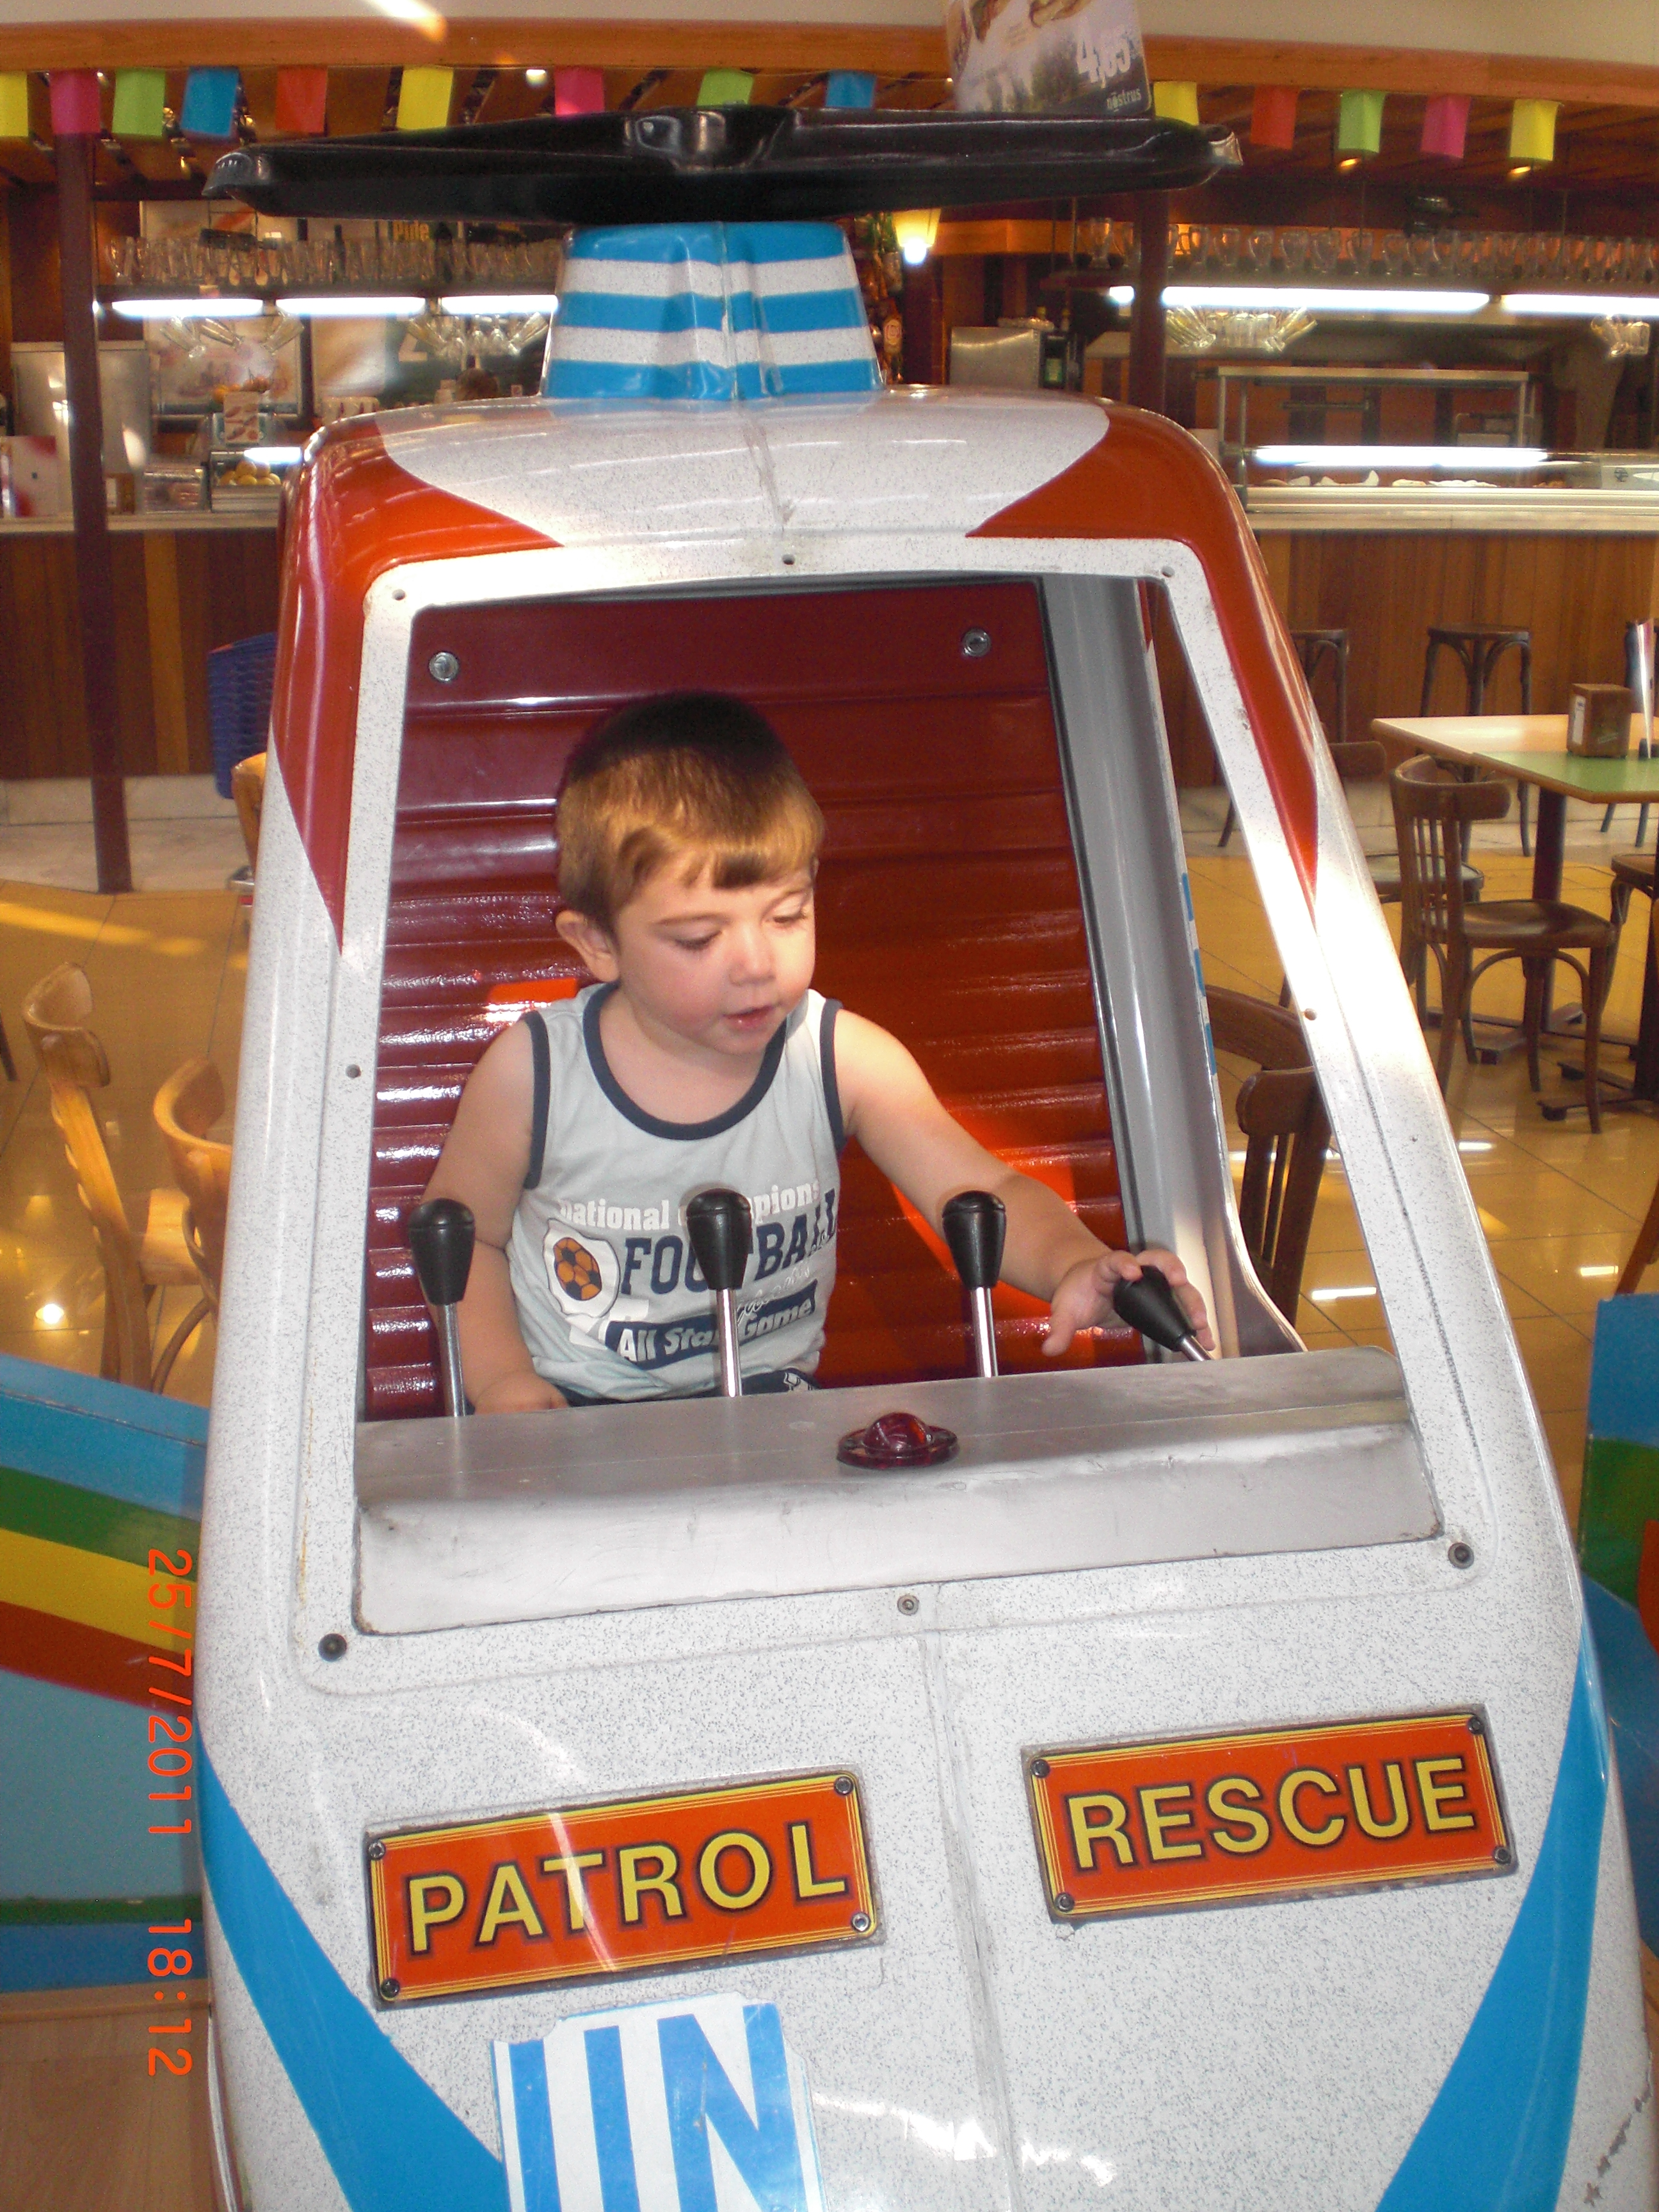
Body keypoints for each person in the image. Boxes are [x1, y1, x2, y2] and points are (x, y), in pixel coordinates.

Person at [421, 691, 1214, 1411]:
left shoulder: (841, 1058)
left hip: (773, 1408)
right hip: (577, 1413)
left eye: (788, 915)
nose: (756, 964)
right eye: (698, 939)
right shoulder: (536, 1076)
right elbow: (466, 1237)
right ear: (598, 943)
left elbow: (985, 1188)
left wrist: (1077, 1263)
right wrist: (502, 1383)